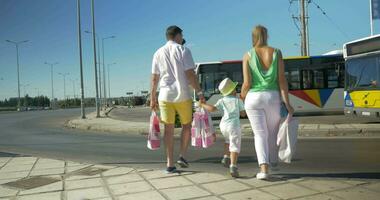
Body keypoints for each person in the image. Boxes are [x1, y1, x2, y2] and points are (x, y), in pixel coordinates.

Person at [240, 25, 294, 180]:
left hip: (253, 98)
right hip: (273, 97)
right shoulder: (276, 52)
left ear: (253, 36)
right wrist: (287, 103)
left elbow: (246, 83)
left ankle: (264, 169)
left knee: (260, 134)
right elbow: (282, 80)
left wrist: (242, 98)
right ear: (266, 35)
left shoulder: (247, 55)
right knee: (272, 132)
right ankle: (273, 161)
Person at [150, 25, 205, 173]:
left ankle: (169, 163)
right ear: (177, 35)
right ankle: (182, 155)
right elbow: (190, 74)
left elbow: (155, 78)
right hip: (183, 96)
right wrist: (199, 93)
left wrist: (152, 97)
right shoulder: (183, 50)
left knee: (168, 130)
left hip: (165, 96)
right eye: (181, 35)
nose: (182, 38)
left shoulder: (157, 53)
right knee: (187, 126)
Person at [200, 78, 246, 178]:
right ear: (233, 91)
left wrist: (202, 104)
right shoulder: (238, 101)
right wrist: (242, 104)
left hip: (223, 126)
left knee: (227, 141)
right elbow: (243, 114)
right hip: (234, 125)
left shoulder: (221, 100)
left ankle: (226, 156)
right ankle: (233, 166)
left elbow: (212, 109)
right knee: (235, 146)